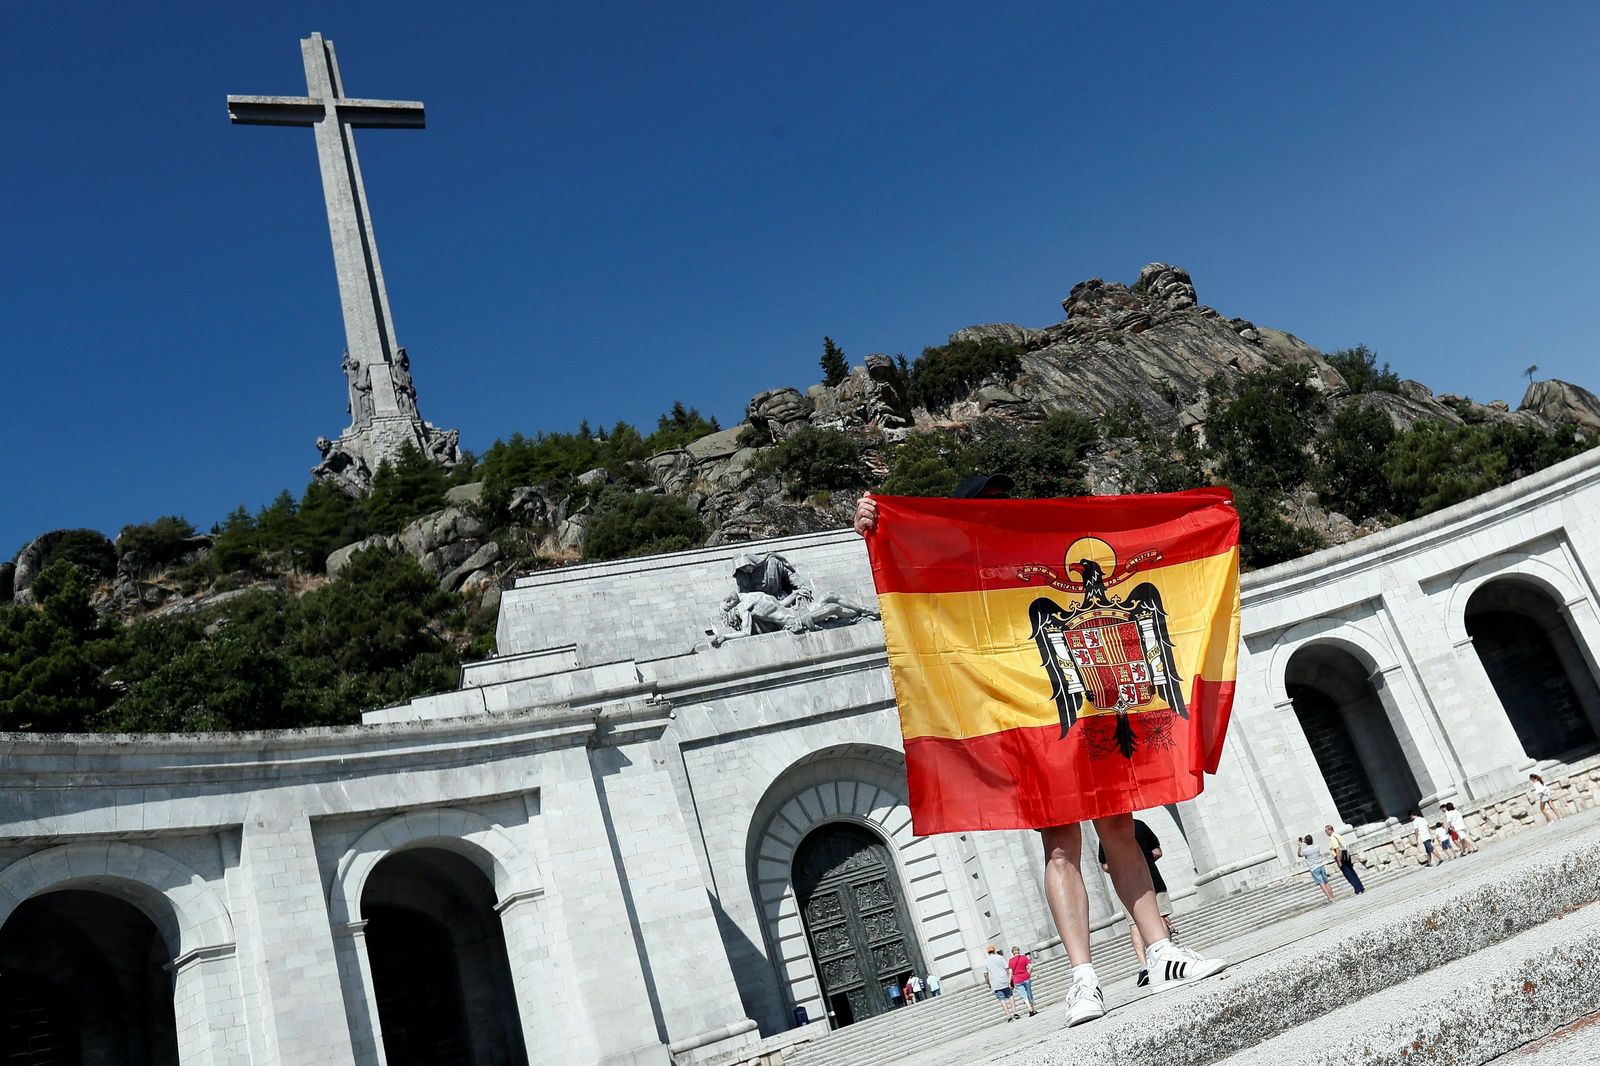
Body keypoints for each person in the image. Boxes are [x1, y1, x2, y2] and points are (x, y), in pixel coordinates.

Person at [857, 481, 1226, 1029]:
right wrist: (876, 522)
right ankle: (1083, 977)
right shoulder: (962, 556)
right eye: (991, 499)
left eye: (1005, 497)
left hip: (1087, 704)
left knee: (1119, 827)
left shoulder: (1038, 542)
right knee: (1059, 843)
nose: (1003, 505)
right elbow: (916, 575)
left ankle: (1161, 949)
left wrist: (1204, 517)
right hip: (1027, 713)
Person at [1096, 818, 1176, 987]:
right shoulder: (1138, 825)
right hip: (1152, 880)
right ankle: (1167, 957)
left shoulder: (1105, 833)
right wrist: (1142, 862)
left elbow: (1105, 865)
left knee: (1134, 925)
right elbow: (1158, 851)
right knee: (1160, 916)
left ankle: (1144, 967)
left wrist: (1122, 868)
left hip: (1127, 886)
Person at [1324, 824, 1365, 894]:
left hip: (1340, 857)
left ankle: (1357, 889)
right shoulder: (1338, 835)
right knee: (1352, 872)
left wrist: (1339, 860)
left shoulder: (1333, 838)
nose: (1326, 833)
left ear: (1330, 830)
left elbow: (1337, 849)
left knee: (1348, 874)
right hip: (1346, 855)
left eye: (1326, 831)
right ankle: (1360, 887)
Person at [983, 945, 1018, 1021]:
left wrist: (988, 983)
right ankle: (1015, 1012)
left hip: (995, 983)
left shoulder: (985, 961)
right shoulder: (1000, 957)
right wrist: (1010, 978)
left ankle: (1009, 1016)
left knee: (1002, 1000)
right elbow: (1007, 968)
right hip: (1004, 980)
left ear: (988, 952)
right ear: (994, 950)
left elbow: (986, 974)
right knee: (1010, 996)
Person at [1300, 834, 1335, 902]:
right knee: (1326, 882)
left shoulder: (1305, 851)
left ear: (1306, 842)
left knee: (1321, 883)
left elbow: (1299, 854)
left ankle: (1330, 898)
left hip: (1314, 868)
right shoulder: (1317, 846)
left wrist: (1300, 846)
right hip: (1321, 865)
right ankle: (1332, 896)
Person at [1008, 947, 1039, 1017]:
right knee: (1029, 993)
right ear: (1019, 951)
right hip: (1026, 977)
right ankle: (1033, 1009)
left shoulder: (1011, 961)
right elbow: (1031, 967)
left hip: (1017, 980)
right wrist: (1029, 973)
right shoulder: (1024, 957)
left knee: (1023, 995)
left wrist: (1009, 981)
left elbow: (1010, 972)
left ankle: (1030, 1009)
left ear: (1012, 953)